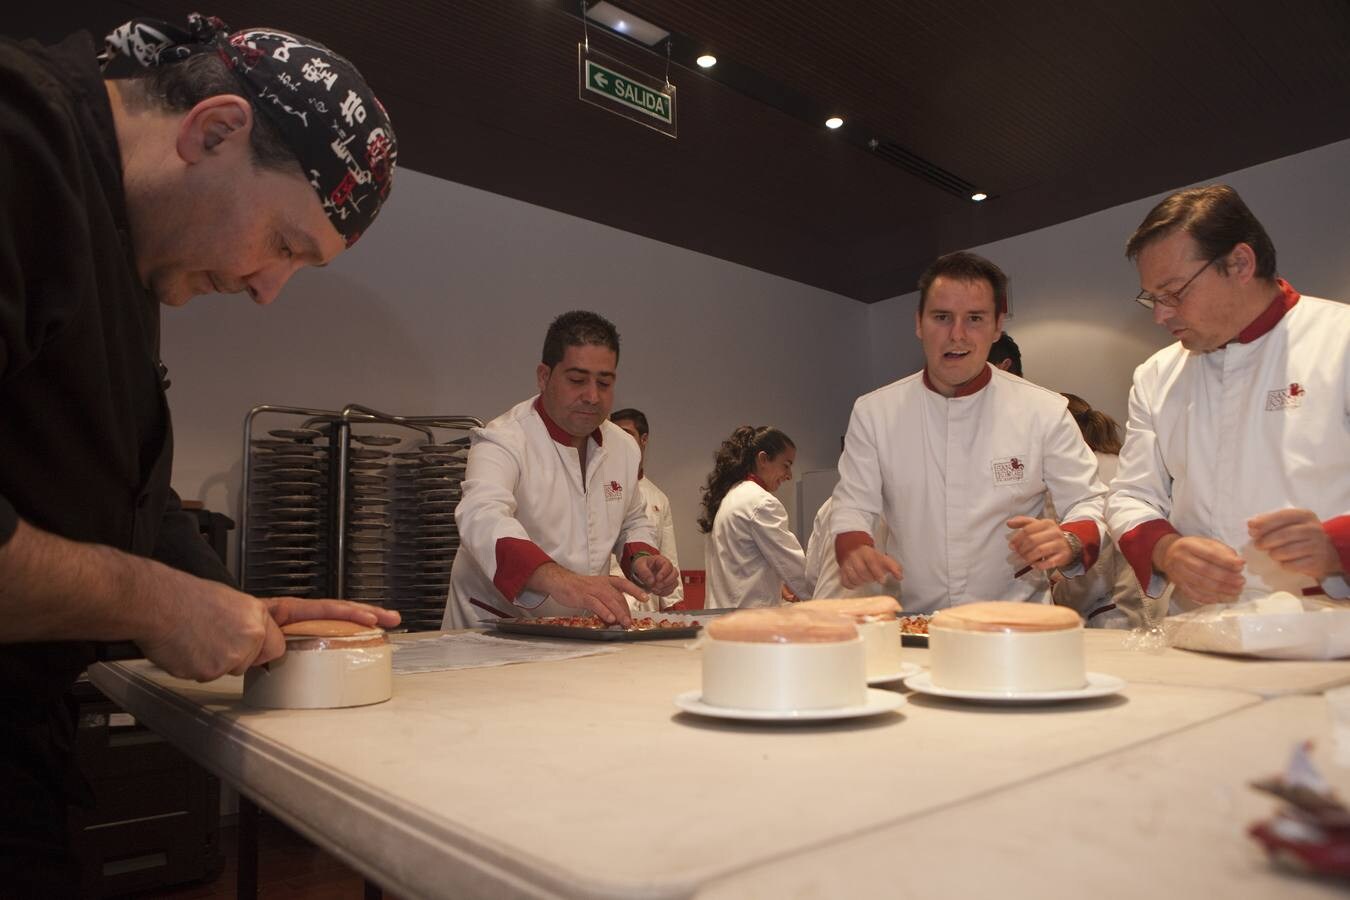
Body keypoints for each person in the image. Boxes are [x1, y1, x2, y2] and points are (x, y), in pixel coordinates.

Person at [0, 14, 400, 891]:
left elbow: (103, 484)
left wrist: (234, 603)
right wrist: (151, 600)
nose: (266, 289)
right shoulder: (18, 146)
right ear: (213, 129)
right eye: (285, 244)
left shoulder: (128, 245)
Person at [1106, 184, 1349, 611]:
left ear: (1240, 263)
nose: (1161, 315)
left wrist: (1337, 546)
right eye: (1153, 298)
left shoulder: (1339, 341)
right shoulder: (1157, 375)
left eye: (1175, 292)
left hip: (1329, 631)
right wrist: (1166, 550)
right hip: (1200, 626)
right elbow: (1131, 496)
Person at [828, 251, 1107, 614]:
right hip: (915, 623)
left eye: (974, 318)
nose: (956, 334)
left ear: (996, 326)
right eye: (941, 317)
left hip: (1015, 624)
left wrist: (1069, 540)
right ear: (919, 323)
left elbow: (1089, 500)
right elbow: (853, 503)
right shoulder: (874, 412)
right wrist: (854, 547)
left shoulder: (1044, 410)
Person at [443, 312, 679, 629]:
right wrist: (562, 581)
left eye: (604, 382)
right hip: (493, 630)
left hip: (579, 631)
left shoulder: (623, 447)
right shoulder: (503, 438)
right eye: (577, 380)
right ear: (544, 376)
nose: (592, 396)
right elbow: (481, 518)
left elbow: (632, 520)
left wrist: (642, 560)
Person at [1051, 394, 1142, 627]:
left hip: (1105, 615)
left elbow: (1095, 568)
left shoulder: (1085, 477)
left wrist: (1054, 596)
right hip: (1134, 607)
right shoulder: (1120, 464)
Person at [700, 426, 812, 608]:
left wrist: (777, 583)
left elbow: (743, 566)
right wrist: (829, 600)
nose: (789, 475)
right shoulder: (761, 503)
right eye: (786, 465)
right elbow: (795, 570)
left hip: (722, 618)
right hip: (749, 624)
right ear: (763, 459)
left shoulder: (731, 496)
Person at [608, 408, 684, 610]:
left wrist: (674, 610)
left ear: (644, 439)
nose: (619, 441)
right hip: (608, 604)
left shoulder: (659, 497)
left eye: (626, 434)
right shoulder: (598, 488)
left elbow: (669, 558)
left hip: (647, 606)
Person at [804, 497, 894, 600]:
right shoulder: (892, 505)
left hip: (822, 606)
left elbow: (811, 575)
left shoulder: (829, 504)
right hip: (864, 609)